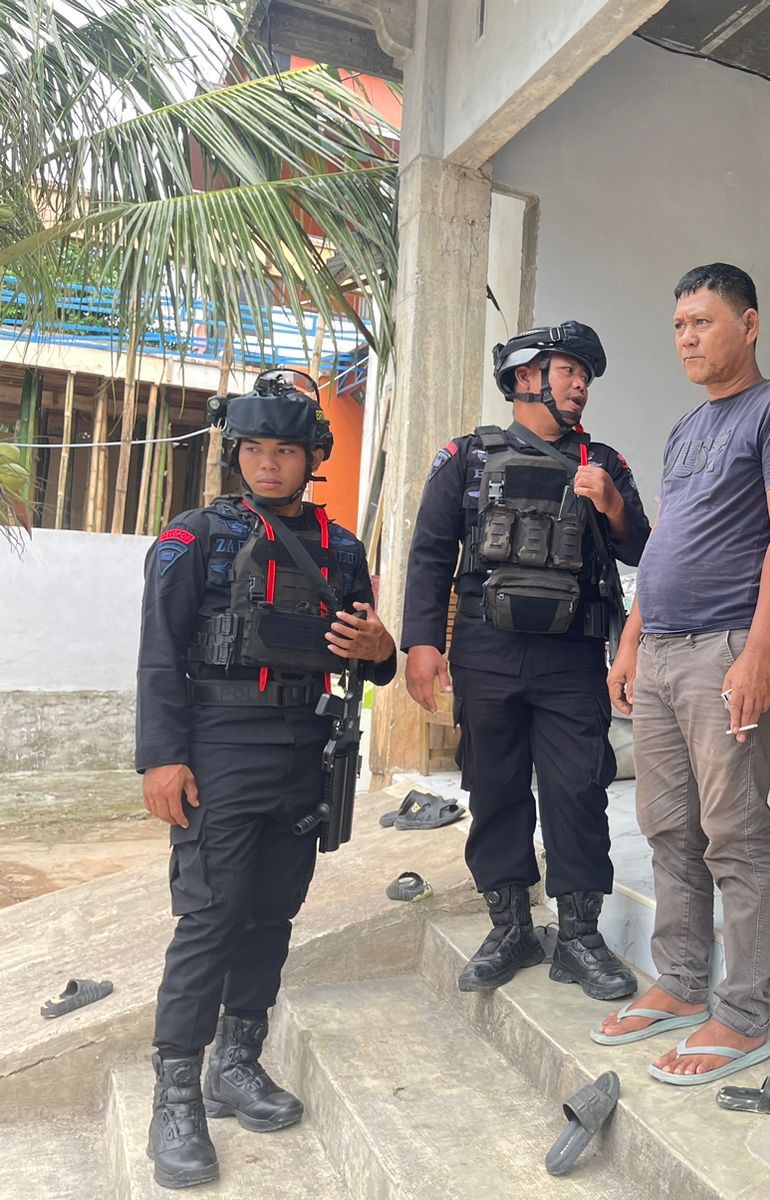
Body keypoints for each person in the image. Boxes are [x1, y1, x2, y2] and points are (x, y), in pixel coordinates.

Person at [136, 370, 396, 1189]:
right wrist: (161, 757)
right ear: (237, 454)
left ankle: (237, 1062)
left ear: (312, 457)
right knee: (211, 914)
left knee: (273, 912)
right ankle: (176, 1094)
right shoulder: (194, 539)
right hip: (218, 745)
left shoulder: (341, 549)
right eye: (254, 449)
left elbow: (371, 658)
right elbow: (158, 655)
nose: (269, 464)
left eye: (285, 450)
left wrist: (381, 649)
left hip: (304, 744)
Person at [596, 263, 770, 1084]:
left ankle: (743, 1014)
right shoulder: (686, 427)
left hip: (728, 648)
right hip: (662, 648)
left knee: (733, 832)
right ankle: (683, 980)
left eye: (703, 321)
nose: (687, 338)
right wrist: (631, 640)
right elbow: (666, 539)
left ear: (749, 324)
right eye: (679, 326)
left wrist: (760, 651)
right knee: (668, 826)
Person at [402, 321, 648, 1000]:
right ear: (523, 377)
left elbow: (643, 550)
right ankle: (509, 927)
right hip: (486, 651)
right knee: (495, 789)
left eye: (585, 375)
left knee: (577, 790)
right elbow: (430, 552)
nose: (580, 385)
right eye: (567, 370)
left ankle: (579, 938)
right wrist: (422, 643)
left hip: (572, 656)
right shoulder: (465, 456)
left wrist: (613, 505)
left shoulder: (605, 461)